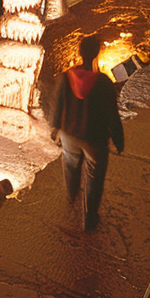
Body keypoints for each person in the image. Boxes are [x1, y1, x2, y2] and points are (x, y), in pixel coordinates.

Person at [48, 35, 124, 232]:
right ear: (97, 53)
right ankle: (90, 217)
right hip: (94, 139)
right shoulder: (104, 82)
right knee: (94, 177)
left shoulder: (68, 77)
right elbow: (111, 114)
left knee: (71, 166)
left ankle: (71, 196)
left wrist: (55, 127)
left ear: (79, 53)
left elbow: (58, 104)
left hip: (70, 135)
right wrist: (118, 138)